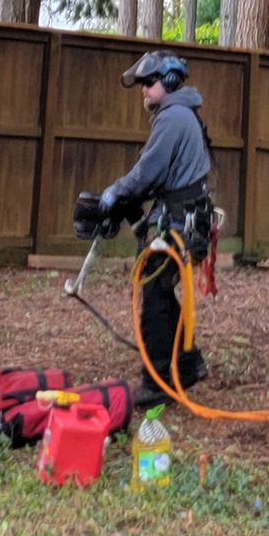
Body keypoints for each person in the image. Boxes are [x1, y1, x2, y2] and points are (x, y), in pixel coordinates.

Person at [77, 50, 214, 406]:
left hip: (180, 221)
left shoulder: (172, 119)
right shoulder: (182, 115)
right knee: (162, 291)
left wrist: (114, 194)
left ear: (168, 83)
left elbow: (147, 172)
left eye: (149, 83)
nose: (143, 90)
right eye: (141, 84)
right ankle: (186, 363)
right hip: (185, 216)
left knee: (153, 292)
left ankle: (156, 383)